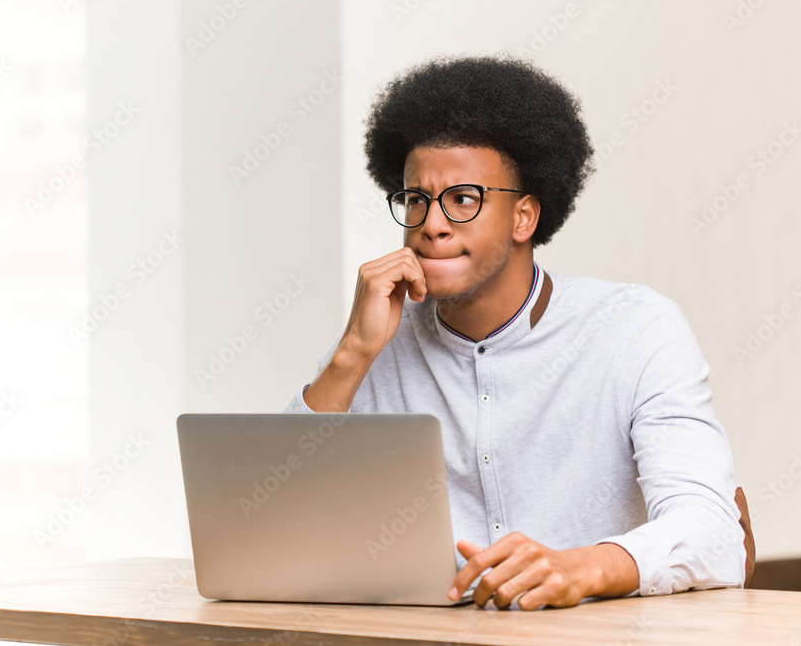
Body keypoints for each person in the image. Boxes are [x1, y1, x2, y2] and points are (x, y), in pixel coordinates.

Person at [282, 55, 753, 610]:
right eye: (415, 200)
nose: (432, 224)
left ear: (524, 217)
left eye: (463, 199)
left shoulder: (635, 330)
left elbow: (715, 533)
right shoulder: (376, 343)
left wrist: (582, 568)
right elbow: (272, 528)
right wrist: (351, 356)